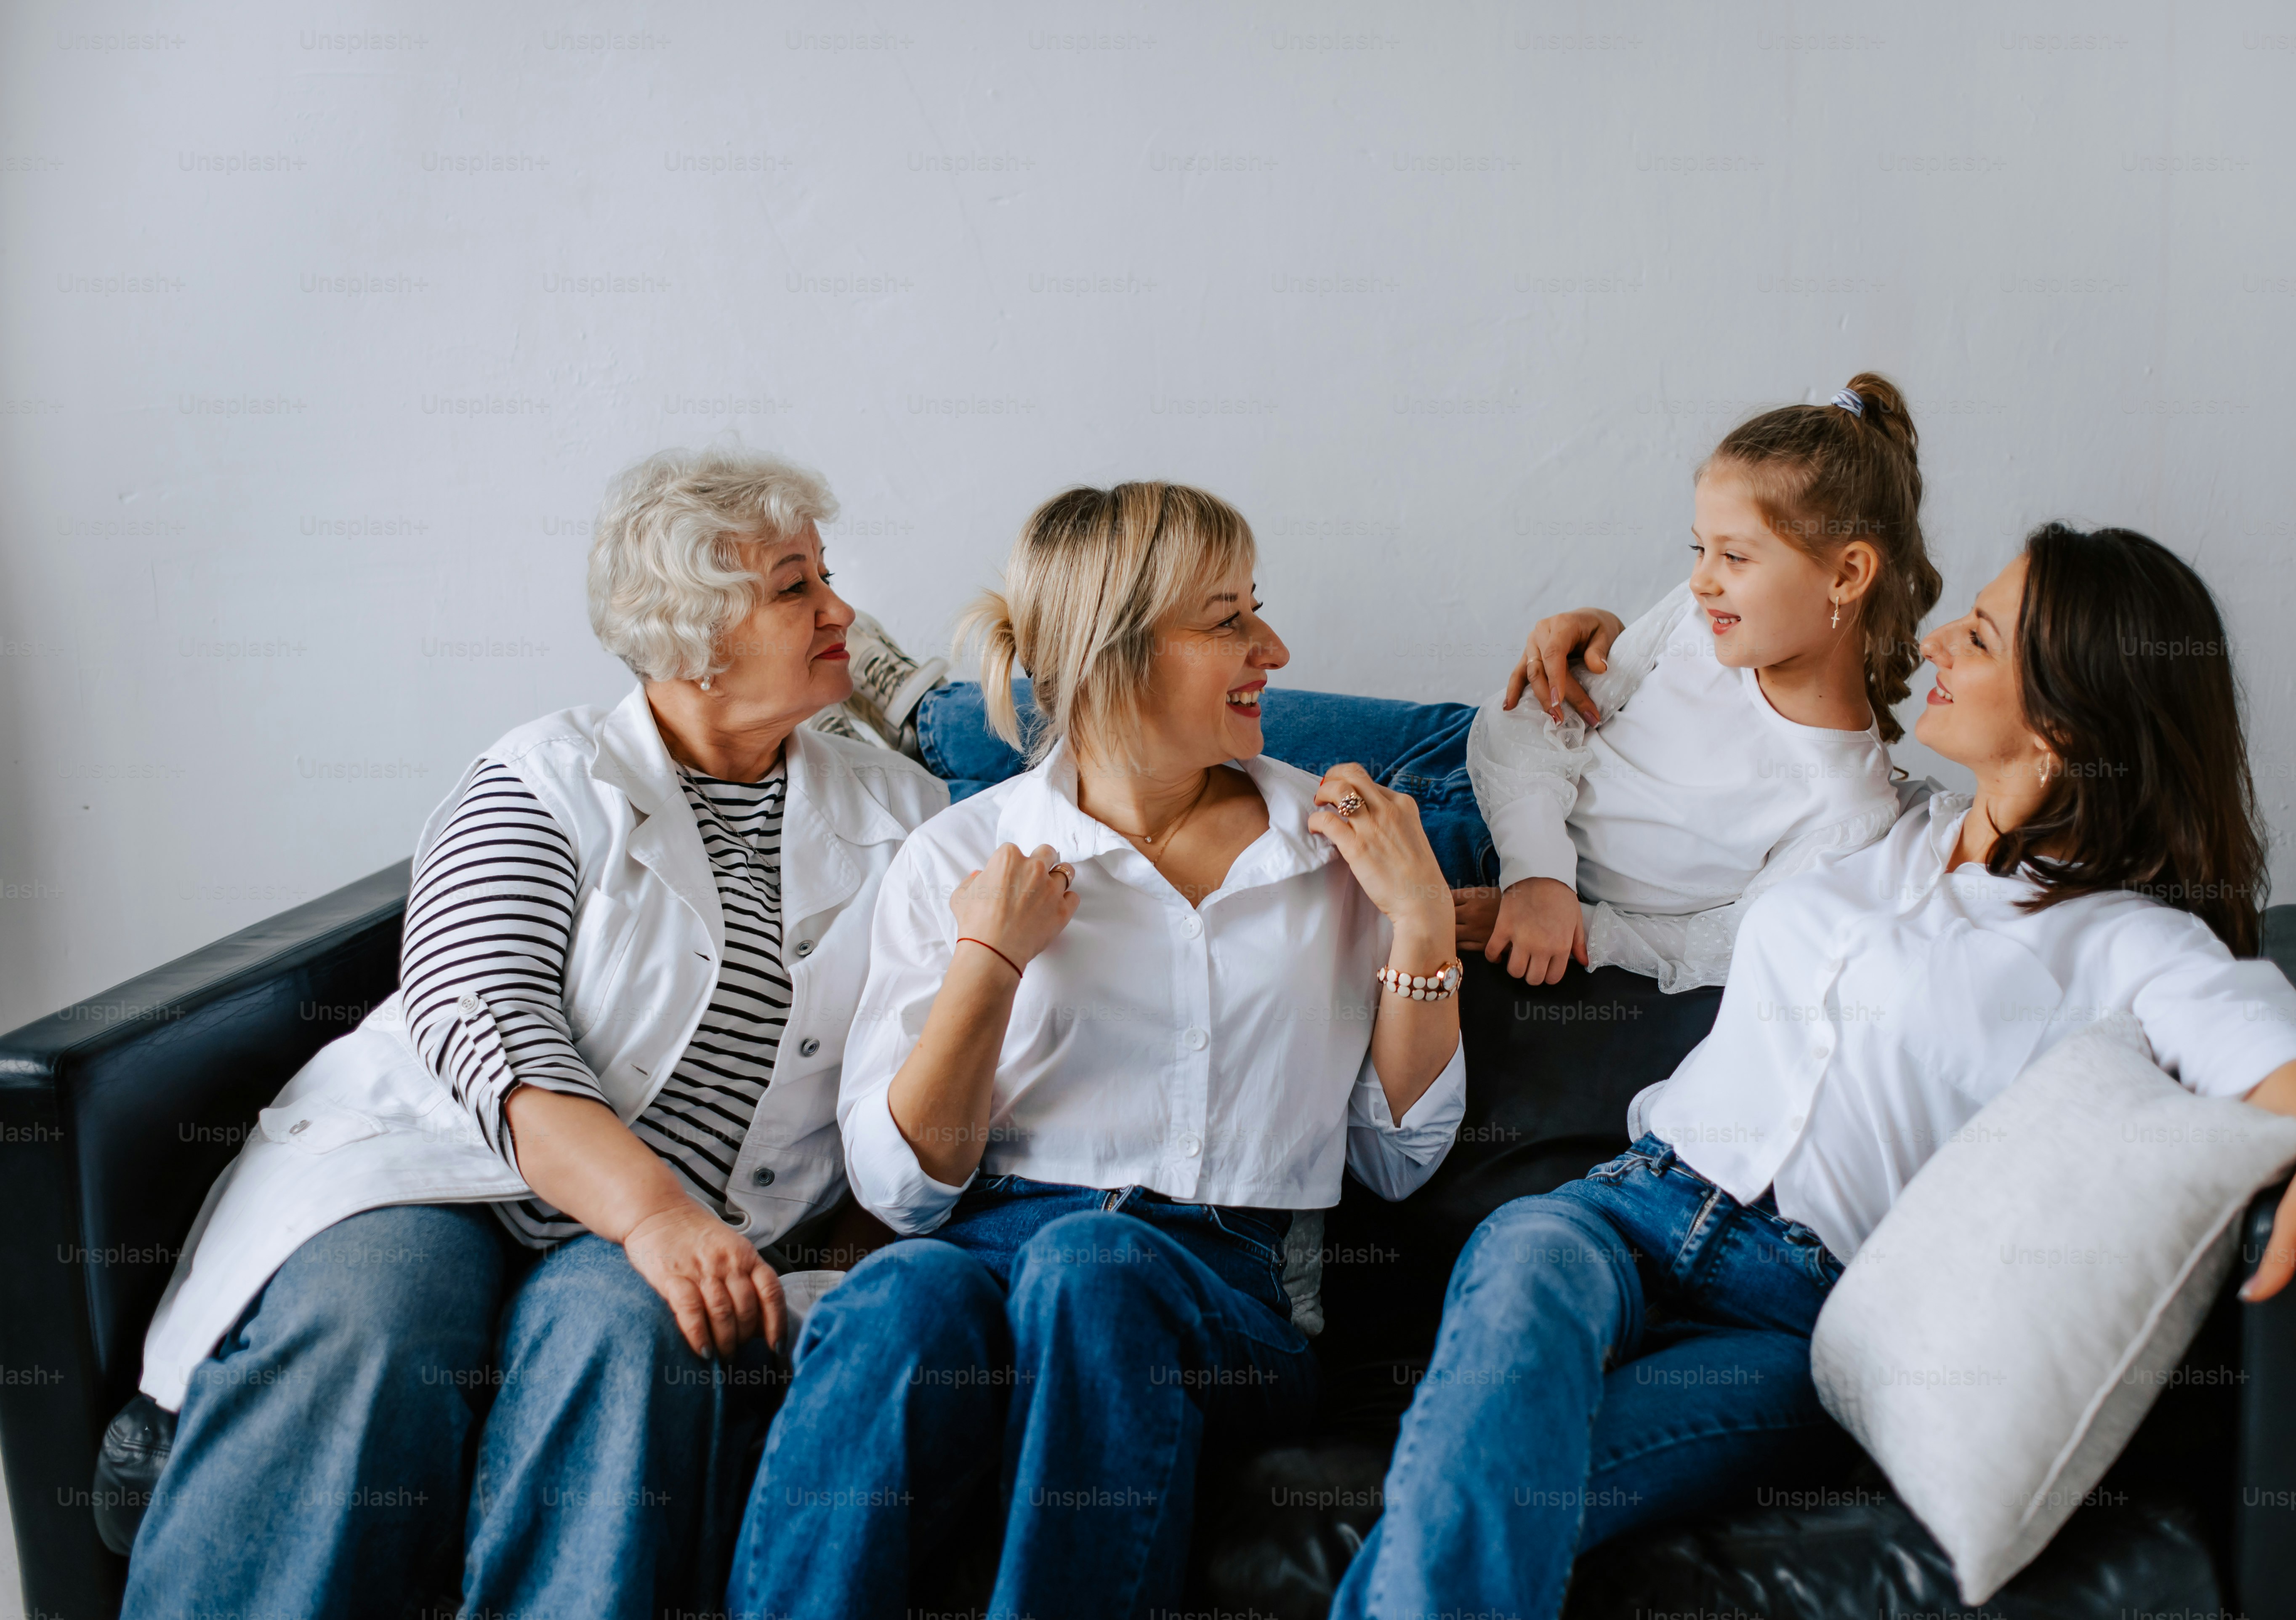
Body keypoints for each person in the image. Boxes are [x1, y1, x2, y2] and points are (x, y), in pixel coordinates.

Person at [1330, 522, 2296, 1619]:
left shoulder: (2130, 943)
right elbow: (1738, 647)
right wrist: (1610, 646)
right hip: (1625, 1208)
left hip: (1795, 1314)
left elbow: (2265, 1046)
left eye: (1979, 636)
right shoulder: (1878, 821)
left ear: (2067, 722)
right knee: (1521, 1268)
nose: (1934, 640)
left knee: (1495, 1483)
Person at [123, 447, 947, 1620]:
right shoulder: (542, 779)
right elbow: (481, 1009)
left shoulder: (903, 814)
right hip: (441, 1169)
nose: (840, 611)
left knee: (632, 1334)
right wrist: (654, 1213)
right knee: (377, 1322)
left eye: (823, 576)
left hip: (672, 1230)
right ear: (692, 637)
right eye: (794, 587)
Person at [726, 481, 1467, 1620]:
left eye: (1255, 608)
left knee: (1095, 1265)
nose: (1273, 648)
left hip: (1226, 1293)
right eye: (1228, 620)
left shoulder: (1336, 851)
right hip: (990, 1253)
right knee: (901, 1292)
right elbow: (903, 1191)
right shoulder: (963, 855)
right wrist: (989, 959)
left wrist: (1420, 921)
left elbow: (1397, 1158)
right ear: (1115, 656)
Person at [1461, 373, 1942, 990]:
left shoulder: (1847, 804)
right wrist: (1537, 877)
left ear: (1847, 575)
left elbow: (1731, 941)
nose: (1701, 581)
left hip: (1525, 919)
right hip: (1483, 796)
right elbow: (1528, 721)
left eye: (1735, 557)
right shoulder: (1696, 622)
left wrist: (1570, 922)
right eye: (1700, 550)